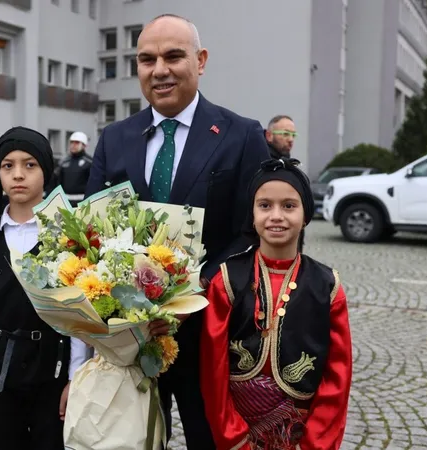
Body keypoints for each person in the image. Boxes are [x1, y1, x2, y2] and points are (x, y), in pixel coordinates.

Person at [84, 14, 271, 448]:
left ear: (200, 60)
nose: (160, 70)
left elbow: (251, 232)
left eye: (173, 57)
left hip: (212, 333)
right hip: (131, 336)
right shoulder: (114, 138)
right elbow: (92, 232)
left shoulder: (241, 135)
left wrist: (192, 292)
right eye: (147, 60)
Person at [200, 158, 352, 450]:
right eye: (265, 205)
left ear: (306, 215)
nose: (276, 216)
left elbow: (337, 376)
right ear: (252, 214)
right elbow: (212, 371)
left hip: (299, 437)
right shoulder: (227, 280)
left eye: (289, 206)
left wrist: (315, 444)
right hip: (238, 434)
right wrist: (234, 439)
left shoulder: (327, 286)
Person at [0, 127, 88, 449]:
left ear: (46, 172)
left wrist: (75, 378)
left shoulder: (67, 233)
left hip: (53, 370)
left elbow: (80, 315)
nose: (18, 174)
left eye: (30, 165)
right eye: (8, 165)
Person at [56, 131, 92, 206]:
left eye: (77, 143)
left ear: (84, 145)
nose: (73, 145)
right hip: (66, 202)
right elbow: (58, 183)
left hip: (83, 202)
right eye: (72, 142)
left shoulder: (90, 162)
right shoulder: (64, 162)